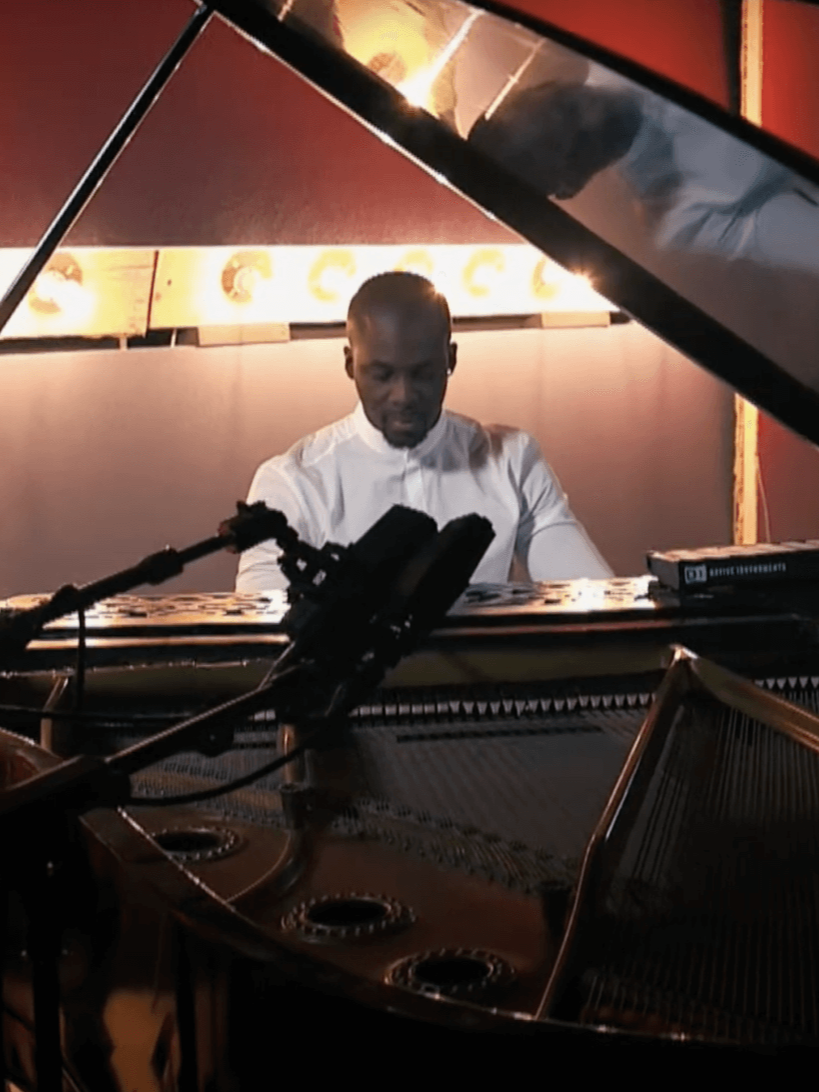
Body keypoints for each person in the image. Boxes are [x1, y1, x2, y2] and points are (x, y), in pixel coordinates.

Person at [235, 272, 611, 592]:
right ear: (350, 364)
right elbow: (264, 644)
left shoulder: (513, 459)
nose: (403, 396)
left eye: (423, 374)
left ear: (451, 359)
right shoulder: (291, 482)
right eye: (382, 375)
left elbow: (593, 596)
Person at [468, 73, 819, 273]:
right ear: (570, 185)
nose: (594, 114)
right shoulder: (679, 218)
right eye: (574, 141)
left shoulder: (620, 32)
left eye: (567, 105)